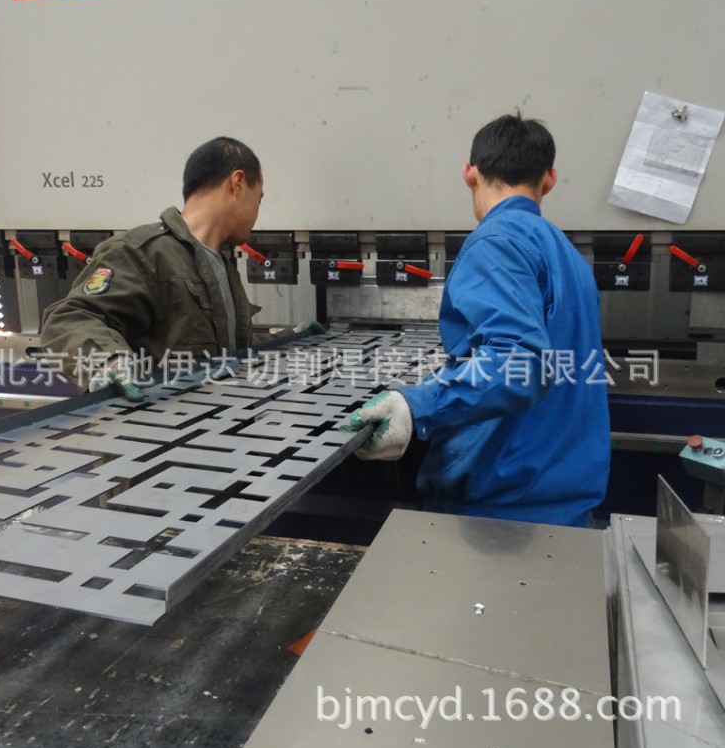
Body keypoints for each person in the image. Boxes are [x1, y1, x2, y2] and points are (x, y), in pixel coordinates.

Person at [345, 113, 610, 528]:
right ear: (549, 179)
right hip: (563, 508)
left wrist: (416, 406)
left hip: (497, 514)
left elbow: (518, 364)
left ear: (470, 173)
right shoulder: (568, 256)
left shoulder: (496, 242)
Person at [40, 136, 318, 401]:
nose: (257, 212)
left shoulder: (221, 267)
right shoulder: (144, 252)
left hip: (217, 423)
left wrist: (291, 337)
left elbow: (231, 350)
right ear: (238, 183)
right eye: (259, 199)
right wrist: (108, 362)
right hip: (157, 430)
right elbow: (69, 319)